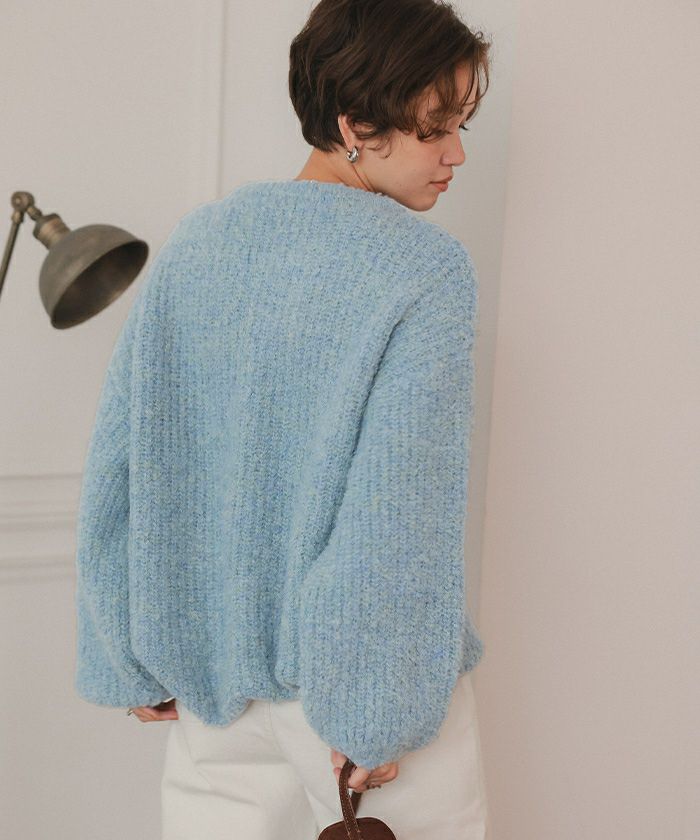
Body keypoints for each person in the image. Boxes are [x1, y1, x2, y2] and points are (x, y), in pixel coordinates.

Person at [73, 0, 492, 837]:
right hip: (353, 715)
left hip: (211, 701)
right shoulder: (425, 270)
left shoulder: (199, 244)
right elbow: (396, 512)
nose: (457, 154)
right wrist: (377, 709)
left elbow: (121, 462)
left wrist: (126, 653)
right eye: (434, 128)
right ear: (355, 125)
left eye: (461, 126)